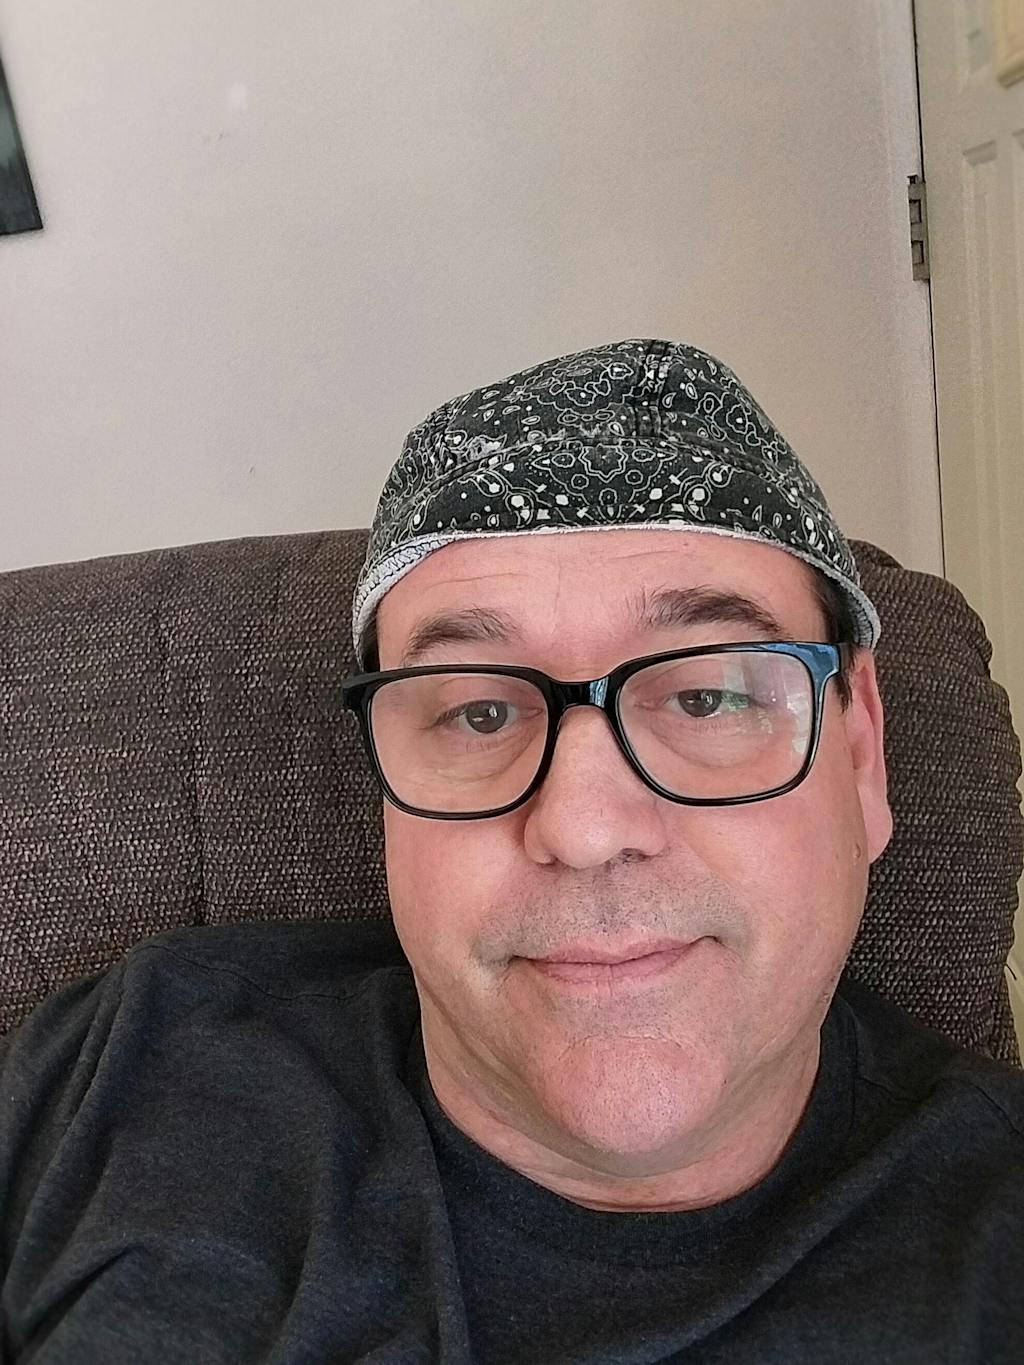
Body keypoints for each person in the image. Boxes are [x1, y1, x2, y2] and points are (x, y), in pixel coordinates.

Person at [2, 338, 1022, 1364]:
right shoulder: (129, 1067)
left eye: (707, 697)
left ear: (859, 753)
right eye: (481, 712)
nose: (583, 829)